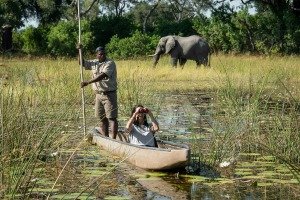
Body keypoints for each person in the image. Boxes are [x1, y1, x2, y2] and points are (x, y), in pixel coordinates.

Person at [79, 45, 118, 139]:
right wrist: (80, 51)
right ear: (97, 55)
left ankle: (114, 139)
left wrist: (88, 82)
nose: (102, 56)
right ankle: (105, 137)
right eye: (100, 54)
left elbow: (102, 75)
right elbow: (81, 62)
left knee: (111, 118)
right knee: (102, 118)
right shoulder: (94, 63)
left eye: (104, 54)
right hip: (98, 95)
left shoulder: (110, 63)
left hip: (109, 94)